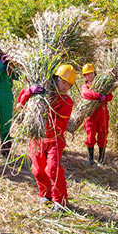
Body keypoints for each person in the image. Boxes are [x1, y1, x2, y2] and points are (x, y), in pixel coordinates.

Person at [18, 64, 75, 212]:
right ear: (55, 79)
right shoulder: (41, 95)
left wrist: (44, 118)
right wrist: (30, 92)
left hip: (55, 140)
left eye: (68, 85)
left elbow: (61, 125)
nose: (65, 87)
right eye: (63, 82)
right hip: (37, 138)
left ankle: (60, 201)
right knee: (37, 169)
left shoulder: (67, 101)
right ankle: (45, 193)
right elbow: (20, 105)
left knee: (52, 168)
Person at [79, 63, 112, 165]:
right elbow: (85, 94)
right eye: (87, 74)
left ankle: (101, 160)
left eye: (91, 73)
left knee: (103, 136)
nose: (90, 76)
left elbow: (110, 96)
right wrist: (98, 96)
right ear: (84, 76)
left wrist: (106, 97)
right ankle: (90, 159)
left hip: (103, 114)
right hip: (91, 116)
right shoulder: (85, 86)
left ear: (95, 73)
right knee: (90, 136)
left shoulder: (102, 85)